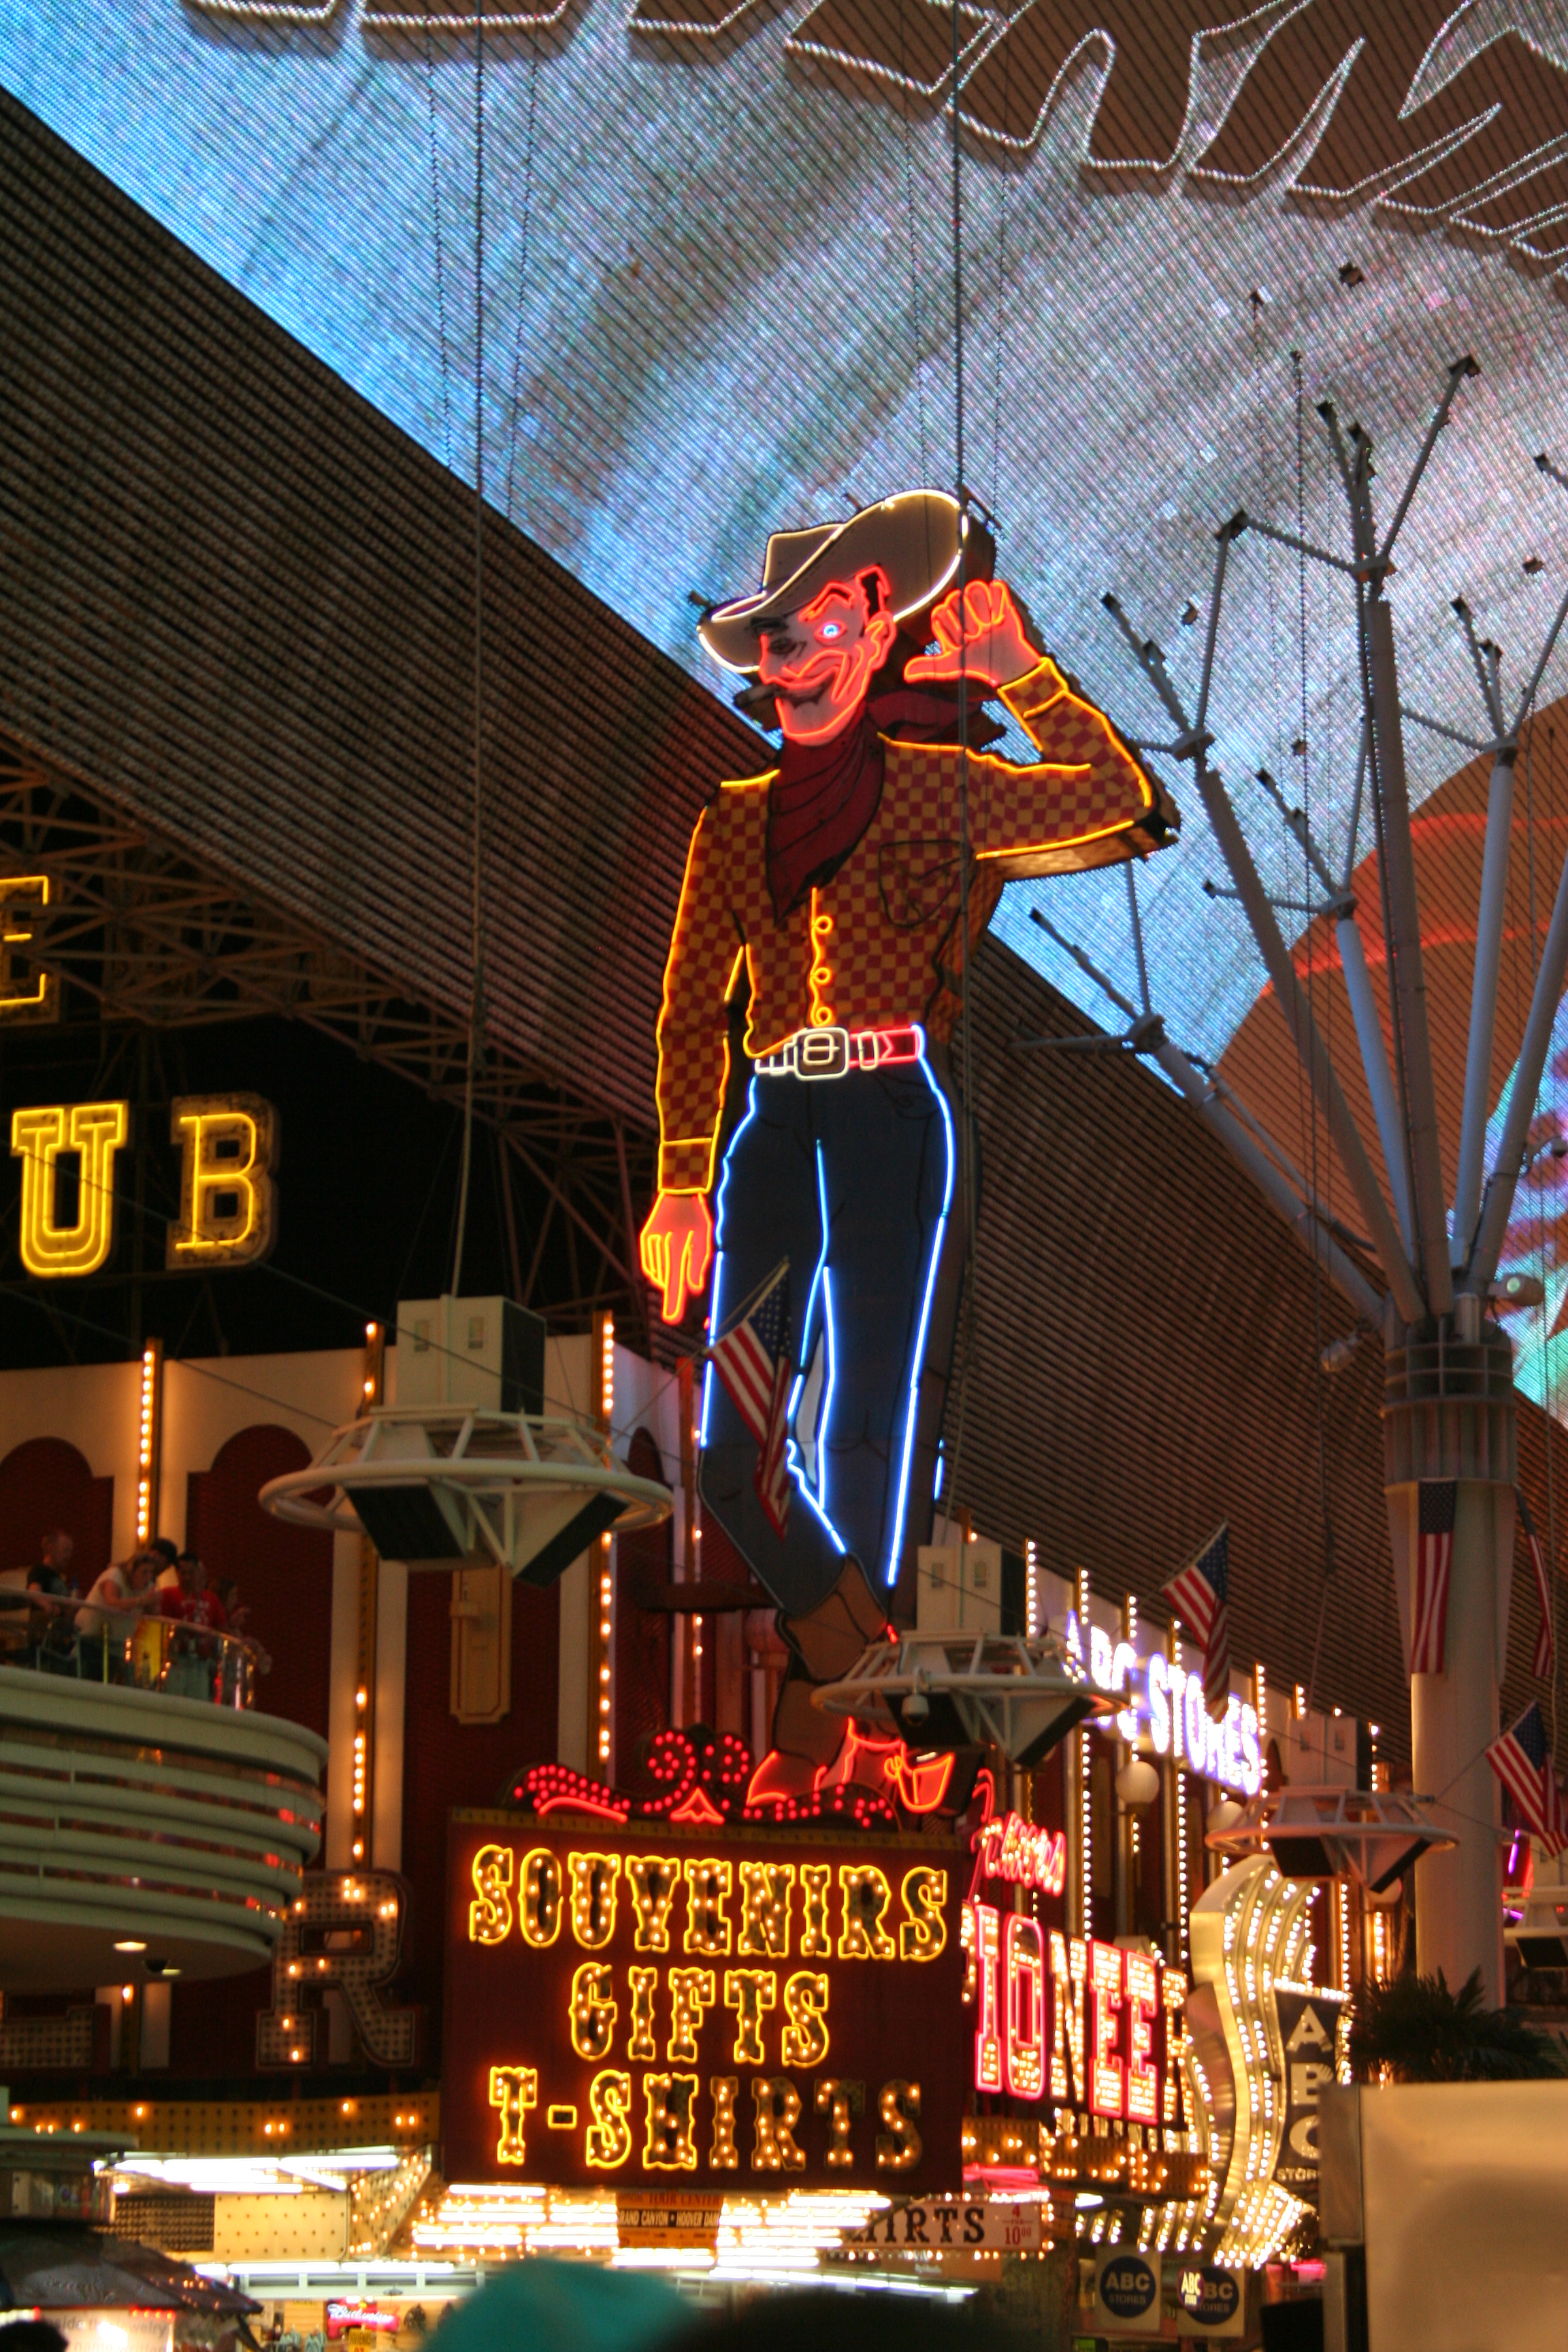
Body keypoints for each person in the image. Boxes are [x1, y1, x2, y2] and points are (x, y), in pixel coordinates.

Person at [639, 491, 1176, 1788]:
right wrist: (677, 1183)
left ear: (875, 637)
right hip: (770, 1123)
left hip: (893, 1113)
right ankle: (866, 1687)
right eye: (772, 639)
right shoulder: (728, 822)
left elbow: (1125, 804)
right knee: (729, 1455)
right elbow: (686, 1013)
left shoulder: (945, 794)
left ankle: (841, 1720)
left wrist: (1020, 674)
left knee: (864, 1435)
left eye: (819, 624)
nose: (793, 658)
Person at [76, 1549, 159, 1673]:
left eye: (151, 1573)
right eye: (144, 1572)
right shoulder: (114, 1576)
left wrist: (154, 1601)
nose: (148, 1577)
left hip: (117, 1645)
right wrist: (142, 1601)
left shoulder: (146, 1588)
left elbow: (153, 1614)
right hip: (91, 1640)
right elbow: (113, 1603)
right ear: (132, 1570)